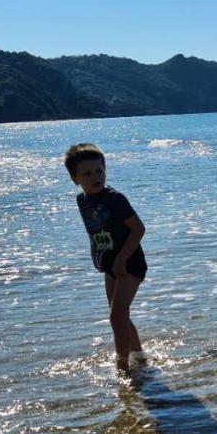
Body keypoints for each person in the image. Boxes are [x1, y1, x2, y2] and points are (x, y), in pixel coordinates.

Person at [65, 143, 147, 370]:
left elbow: (139, 229)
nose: (95, 177)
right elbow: (93, 230)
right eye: (87, 174)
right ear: (75, 179)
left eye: (99, 171)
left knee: (116, 315)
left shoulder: (115, 198)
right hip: (109, 261)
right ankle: (139, 356)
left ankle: (122, 365)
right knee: (119, 314)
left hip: (130, 261)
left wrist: (121, 259)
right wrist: (95, 252)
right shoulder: (82, 201)